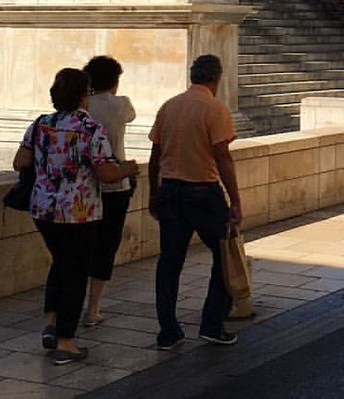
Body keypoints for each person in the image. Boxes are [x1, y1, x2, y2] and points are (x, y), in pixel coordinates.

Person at [13, 68, 138, 365]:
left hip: (43, 208)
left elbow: (20, 161)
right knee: (77, 272)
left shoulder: (41, 124)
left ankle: (52, 323)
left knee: (60, 263)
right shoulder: (90, 128)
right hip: (79, 211)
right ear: (84, 95)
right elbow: (106, 173)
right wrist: (127, 169)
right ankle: (66, 341)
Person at [149, 53, 242, 349]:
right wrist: (236, 199)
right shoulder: (214, 109)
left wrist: (154, 191)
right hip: (203, 191)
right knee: (223, 256)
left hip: (170, 191)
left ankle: (168, 330)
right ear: (216, 78)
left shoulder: (169, 106)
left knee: (169, 262)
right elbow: (222, 156)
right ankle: (212, 323)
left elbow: (155, 156)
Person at [83, 55, 137, 329]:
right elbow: (131, 116)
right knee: (106, 247)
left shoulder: (82, 106)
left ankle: (70, 302)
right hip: (115, 183)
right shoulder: (121, 104)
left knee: (82, 247)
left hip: (84, 186)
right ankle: (93, 308)